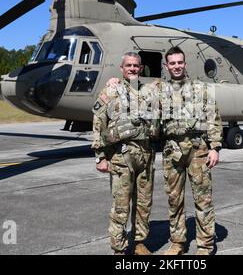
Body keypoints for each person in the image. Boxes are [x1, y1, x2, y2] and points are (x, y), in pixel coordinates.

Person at [91, 52, 160, 255]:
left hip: (146, 155)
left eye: (136, 66)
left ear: (141, 68)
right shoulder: (111, 90)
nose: (132, 68)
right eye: (128, 65)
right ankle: (119, 249)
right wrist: (100, 157)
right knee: (121, 206)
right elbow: (98, 122)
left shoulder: (148, 91)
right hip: (122, 157)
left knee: (143, 204)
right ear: (121, 68)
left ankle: (139, 243)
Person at [161, 46, 223, 255]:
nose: (176, 66)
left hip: (198, 150)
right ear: (166, 66)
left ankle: (205, 245)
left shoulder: (201, 89)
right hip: (172, 152)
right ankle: (178, 242)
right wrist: (114, 81)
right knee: (174, 199)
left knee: (203, 199)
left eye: (180, 62)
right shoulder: (159, 91)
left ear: (185, 64)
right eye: (172, 63)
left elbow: (213, 118)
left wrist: (215, 148)